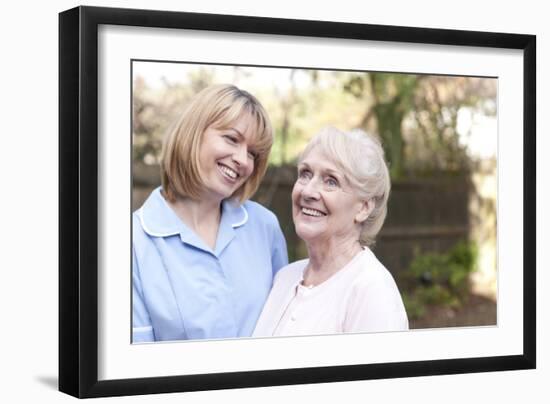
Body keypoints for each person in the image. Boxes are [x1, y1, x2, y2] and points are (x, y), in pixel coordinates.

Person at [132, 84, 288, 343]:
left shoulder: (265, 227)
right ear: (193, 133)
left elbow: (284, 328)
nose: (242, 160)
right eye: (232, 139)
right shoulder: (133, 243)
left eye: (253, 153)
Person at [253, 127, 408, 337]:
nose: (307, 191)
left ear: (363, 207)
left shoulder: (372, 291)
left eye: (331, 181)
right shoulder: (285, 278)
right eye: (305, 174)